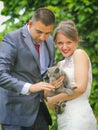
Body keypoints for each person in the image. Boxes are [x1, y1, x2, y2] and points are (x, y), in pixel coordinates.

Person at [0, 8, 63, 130]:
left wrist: (53, 82)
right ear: (30, 24)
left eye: (47, 33)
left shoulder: (49, 42)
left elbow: (45, 71)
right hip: (15, 115)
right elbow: (1, 74)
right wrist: (30, 87)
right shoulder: (12, 39)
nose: (43, 37)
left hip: (40, 113)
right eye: (39, 32)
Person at [47, 20, 98, 130]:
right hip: (63, 118)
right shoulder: (60, 65)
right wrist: (51, 92)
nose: (64, 47)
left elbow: (80, 89)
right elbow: (51, 96)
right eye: (60, 43)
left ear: (76, 41)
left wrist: (53, 99)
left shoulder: (79, 54)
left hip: (78, 117)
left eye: (68, 42)